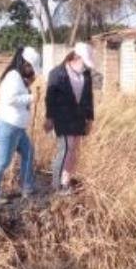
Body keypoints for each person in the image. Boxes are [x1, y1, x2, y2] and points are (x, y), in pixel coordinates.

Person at [0, 46, 41, 205]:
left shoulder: (18, 77)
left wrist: (28, 87)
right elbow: (10, 99)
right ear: (23, 62)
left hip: (17, 128)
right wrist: (31, 98)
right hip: (8, 126)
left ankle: (27, 187)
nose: (30, 70)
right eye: (29, 66)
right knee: (3, 160)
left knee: (28, 153)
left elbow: (19, 95)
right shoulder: (12, 76)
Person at [44, 42, 96, 195]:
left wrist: (90, 119)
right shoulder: (57, 73)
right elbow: (50, 98)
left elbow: (88, 98)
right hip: (62, 117)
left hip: (78, 118)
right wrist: (49, 118)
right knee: (65, 149)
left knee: (74, 150)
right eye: (84, 62)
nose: (85, 66)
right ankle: (56, 185)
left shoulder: (85, 75)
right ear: (76, 57)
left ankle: (65, 182)